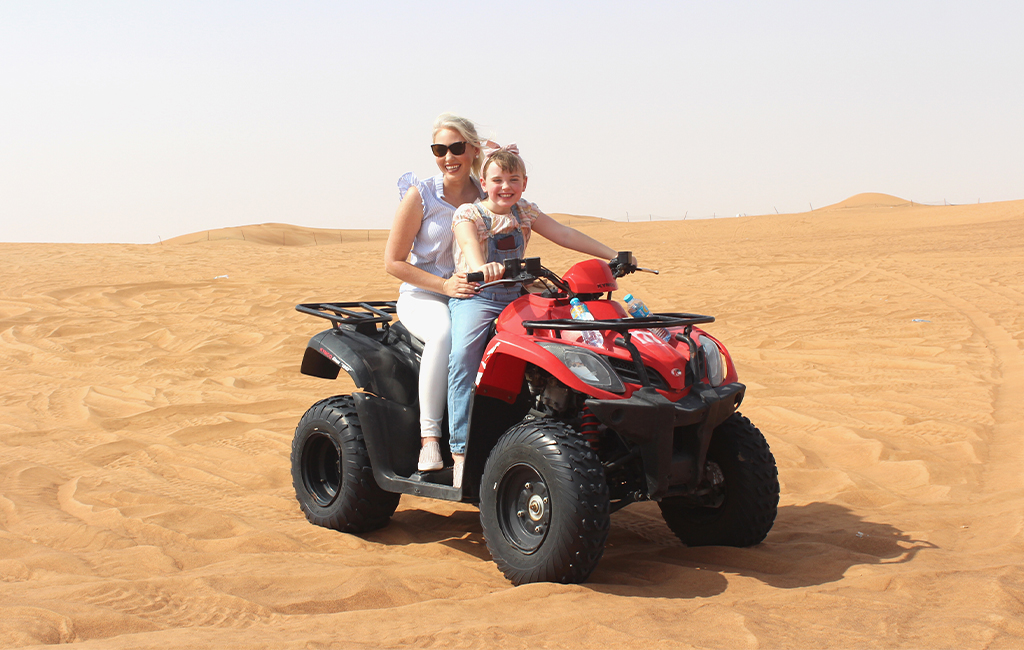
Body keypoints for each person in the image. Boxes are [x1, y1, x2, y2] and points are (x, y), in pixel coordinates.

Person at [447, 144, 637, 488]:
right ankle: (461, 451)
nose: (506, 186)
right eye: (498, 179)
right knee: (463, 355)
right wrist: (481, 268)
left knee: (572, 335)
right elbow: (468, 245)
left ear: (524, 183)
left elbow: (565, 233)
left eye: (513, 179)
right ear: (484, 182)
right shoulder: (469, 214)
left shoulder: (525, 211)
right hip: (478, 297)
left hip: (519, 296)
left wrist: (614, 256)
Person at [383, 113, 485, 473]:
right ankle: (430, 439)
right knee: (444, 335)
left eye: (457, 147)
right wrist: (443, 286)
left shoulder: (487, 193)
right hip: (424, 294)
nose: (448, 157)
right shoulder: (421, 195)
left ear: (473, 149)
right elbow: (393, 261)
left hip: (475, 296)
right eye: (439, 149)